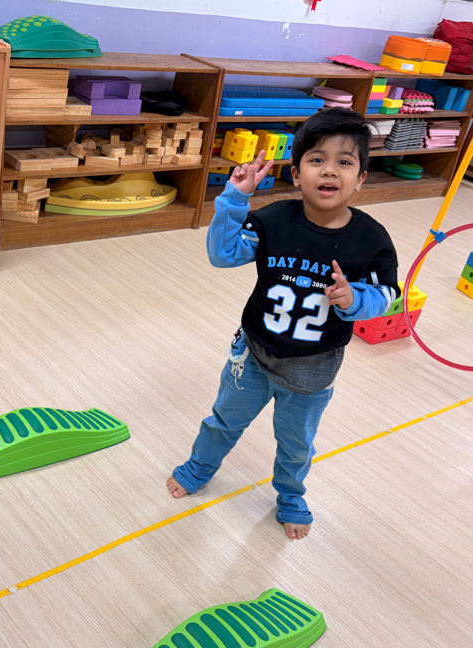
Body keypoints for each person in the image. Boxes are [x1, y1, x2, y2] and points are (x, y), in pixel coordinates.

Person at [166, 107, 400, 540]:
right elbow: (223, 255)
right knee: (223, 420)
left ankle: (290, 496)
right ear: (296, 174)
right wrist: (234, 199)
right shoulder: (272, 219)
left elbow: (388, 294)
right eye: (316, 159)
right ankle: (199, 467)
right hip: (254, 353)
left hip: (313, 368)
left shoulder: (372, 239)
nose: (329, 170)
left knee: (296, 443)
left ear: (361, 178)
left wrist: (355, 300)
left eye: (344, 162)